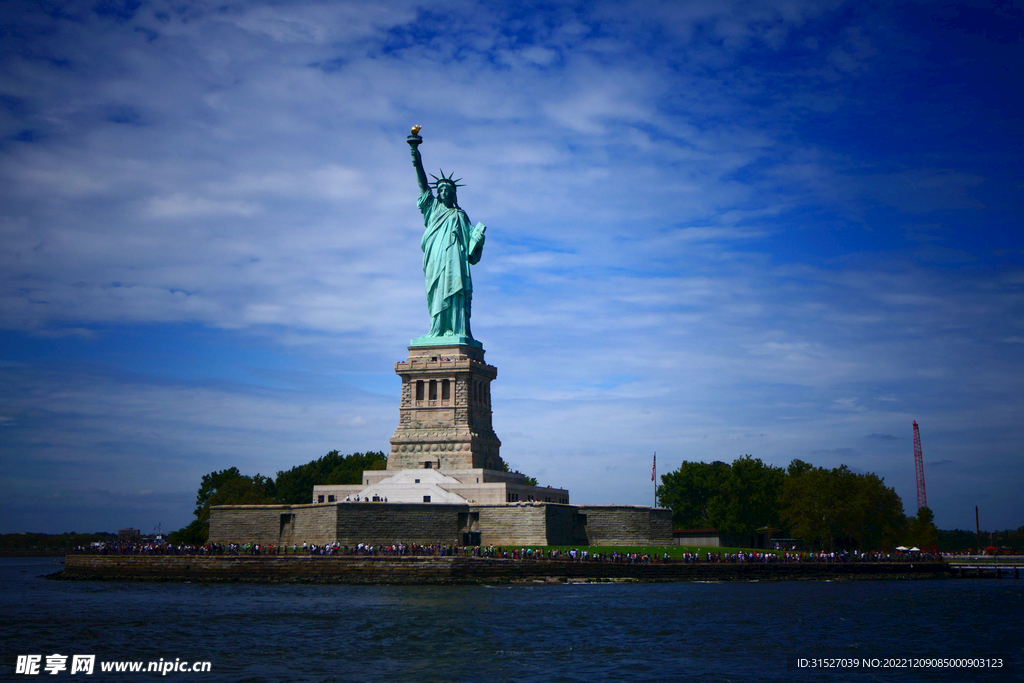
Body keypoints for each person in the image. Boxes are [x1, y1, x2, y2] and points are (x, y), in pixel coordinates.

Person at [408, 130, 486, 340]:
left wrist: (478, 240)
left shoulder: (461, 215)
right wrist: (415, 153)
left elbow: (471, 250)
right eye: (440, 189)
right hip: (436, 258)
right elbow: (423, 183)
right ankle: (437, 329)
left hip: (455, 262)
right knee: (436, 293)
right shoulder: (432, 209)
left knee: (455, 293)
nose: (442, 192)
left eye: (446, 190)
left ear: (453, 194)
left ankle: (457, 329)